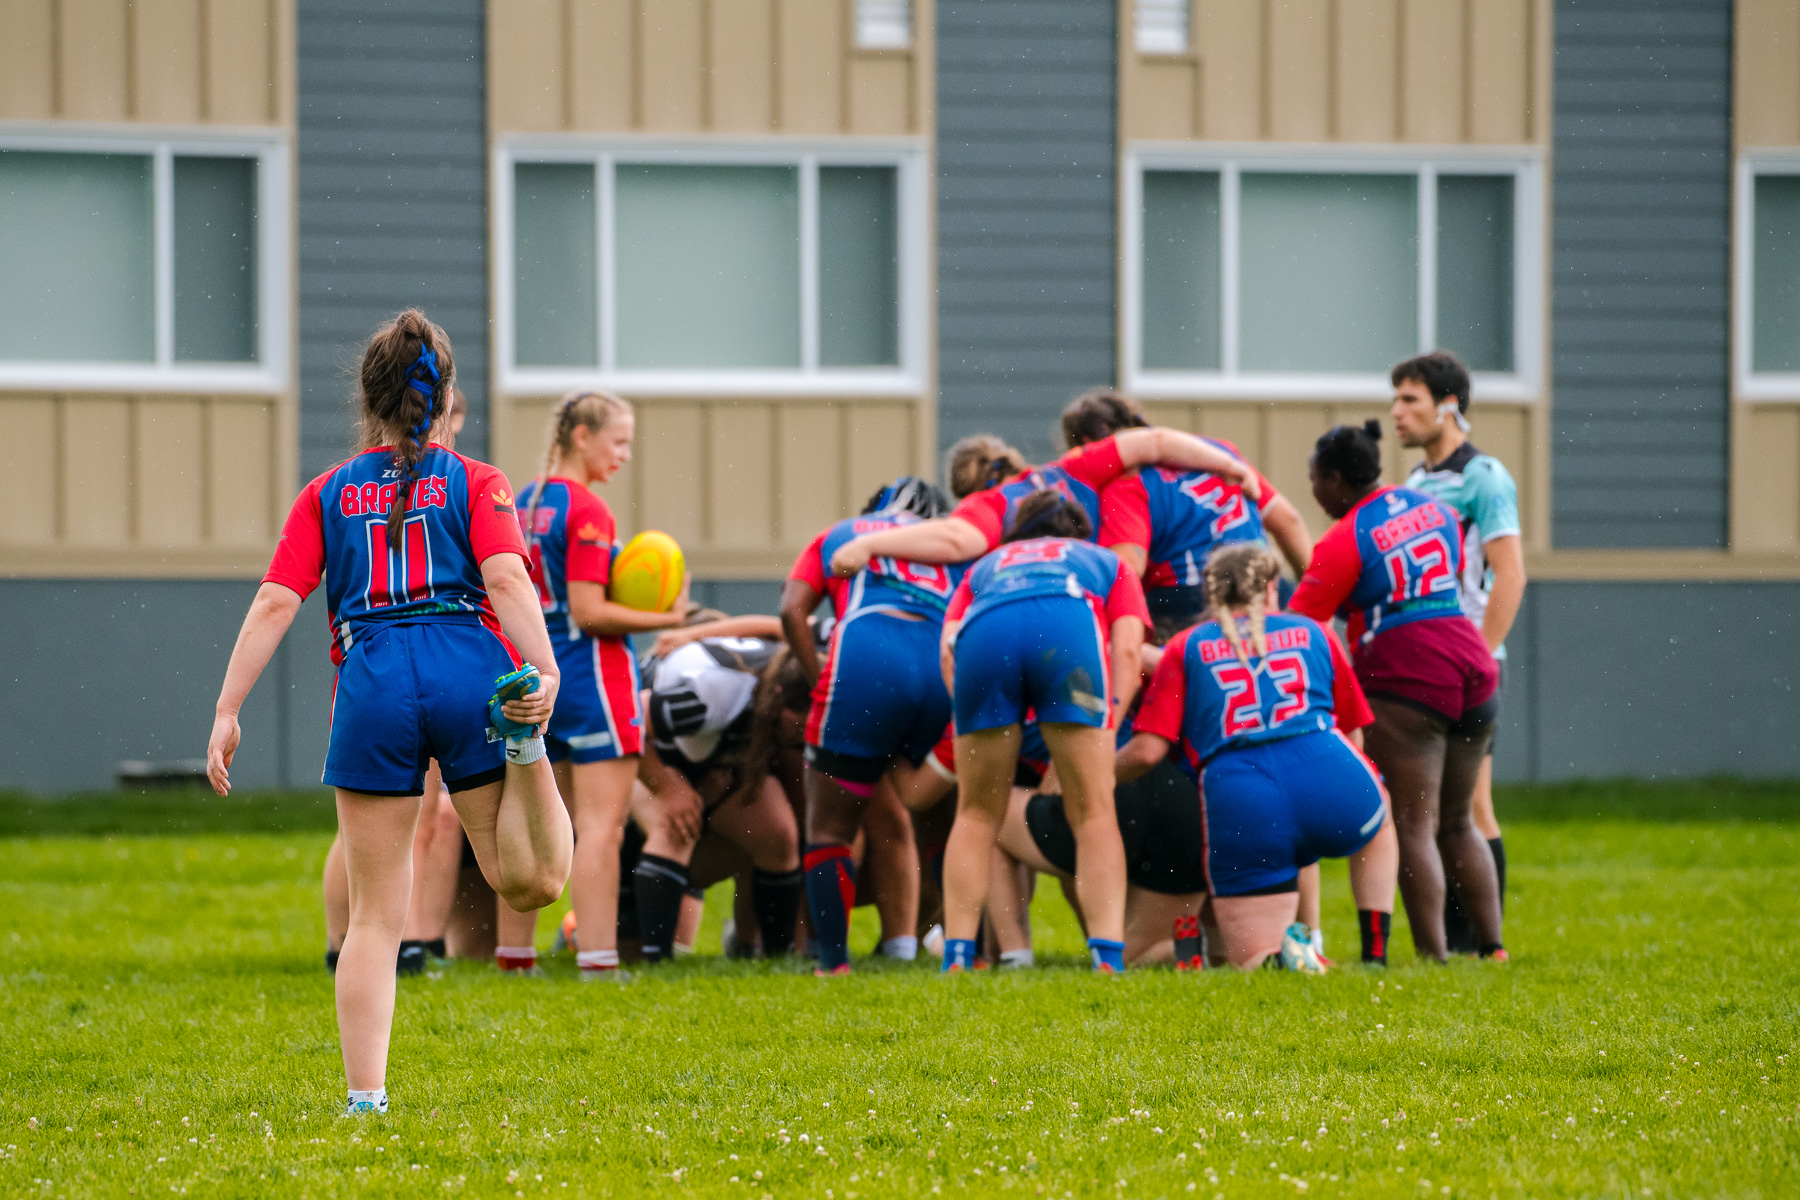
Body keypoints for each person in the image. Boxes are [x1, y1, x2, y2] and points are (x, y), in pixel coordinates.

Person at [206, 309, 573, 1116]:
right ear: (443, 400)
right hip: (464, 666)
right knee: (532, 881)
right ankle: (525, 749)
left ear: (367, 400)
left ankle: (365, 1101)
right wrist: (543, 672)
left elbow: (275, 602)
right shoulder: (480, 481)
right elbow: (508, 581)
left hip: (370, 679)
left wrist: (228, 710)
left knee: (376, 915)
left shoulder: (326, 492)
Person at [1116, 544, 1398, 970]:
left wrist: (1088, 774)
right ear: (1271, 588)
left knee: (1253, 963)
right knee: (1378, 823)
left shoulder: (1186, 646)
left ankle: (1278, 959)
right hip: (1323, 764)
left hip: (1240, 790)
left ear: (1211, 595)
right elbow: (1353, 733)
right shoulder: (1315, 632)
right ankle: (1375, 953)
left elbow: (1149, 749)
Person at [1288, 421, 1505, 964]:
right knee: (1459, 821)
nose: (1314, 492)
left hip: (1408, 677)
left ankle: (1434, 957)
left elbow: (1298, 632)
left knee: (1413, 821)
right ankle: (1493, 948)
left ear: (1336, 480)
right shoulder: (1433, 510)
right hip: (1474, 665)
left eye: (1315, 481)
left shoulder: (1342, 540)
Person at [512, 389, 688, 981]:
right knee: (600, 829)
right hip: (589, 680)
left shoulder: (521, 501)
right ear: (582, 437)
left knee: (536, 822)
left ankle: (515, 959)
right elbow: (588, 610)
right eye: (619, 442)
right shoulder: (587, 509)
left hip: (533, 679)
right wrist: (670, 618)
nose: (626, 455)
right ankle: (598, 959)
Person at [938, 490, 1149, 973]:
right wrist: (1107, 719)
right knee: (1093, 811)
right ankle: (1107, 959)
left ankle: (956, 956)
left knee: (974, 813)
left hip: (986, 628)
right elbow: (1130, 652)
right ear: (1078, 533)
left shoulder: (985, 567)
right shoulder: (1103, 561)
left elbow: (949, 651)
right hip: (1067, 621)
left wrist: (973, 719)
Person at [780, 476, 958, 973]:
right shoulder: (952, 536)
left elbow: (792, 611)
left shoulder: (842, 532)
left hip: (866, 653)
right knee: (955, 824)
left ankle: (833, 961)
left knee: (831, 826)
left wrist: (822, 682)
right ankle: (970, 950)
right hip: (942, 658)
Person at [1390, 352, 1525, 954]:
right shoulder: (1417, 484)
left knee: (1469, 803)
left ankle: (1479, 940)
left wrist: (1480, 655)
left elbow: (1511, 576)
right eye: (1395, 399)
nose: (1396, 412)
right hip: (1426, 666)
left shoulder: (1485, 477)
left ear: (1449, 406)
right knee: (1432, 806)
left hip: (1466, 666)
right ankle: (1453, 937)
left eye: (1409, 400)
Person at [826, 421, 1262, 577]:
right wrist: (1231, 466)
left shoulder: (989, 506)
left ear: (967, 492)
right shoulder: (1072, 468)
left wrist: (868, 544)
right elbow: (1156, 441)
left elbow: (957, 542)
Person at [1059, 389, 1311, 636]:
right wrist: (1314, 603)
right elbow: (1289, 521)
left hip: (1188, 602)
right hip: (1264, 589)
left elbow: (1126, 569)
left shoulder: (1126, 483)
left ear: (1085, 445)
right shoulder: (1220, 453)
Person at [633, 629, 807, 961]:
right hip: (645, 757)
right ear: (781, 699)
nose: (804, 736)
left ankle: (775, 957)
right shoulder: (711, 694)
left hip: (708, 759)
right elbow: (628, 719)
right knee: (673, 826)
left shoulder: (794, 664)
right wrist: (667, 788)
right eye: (801, 725)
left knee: (777, 835)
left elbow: (786, 622)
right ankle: (653, 960)